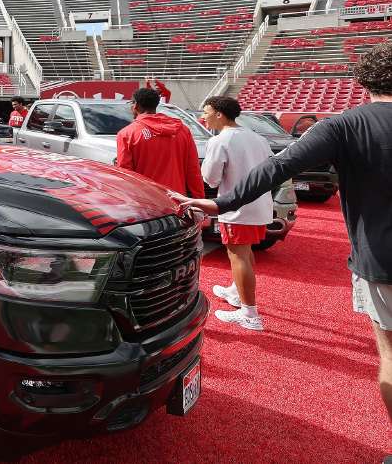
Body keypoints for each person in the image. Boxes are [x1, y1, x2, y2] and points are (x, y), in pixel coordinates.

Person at [178, 43, 392, 426]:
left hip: (382, 258)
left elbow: (279, 167)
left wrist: (220, 204)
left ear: (362, 83)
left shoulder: (345, 124)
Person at [199, 96, 272, 331]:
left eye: (207, 111)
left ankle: (250, 314)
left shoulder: (220, 140)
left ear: (219, 114)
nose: (204, 116)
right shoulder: (258, 138)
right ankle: (236, 290)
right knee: (245, 251)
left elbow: (211, 178)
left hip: (237, 207)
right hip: (259, 204)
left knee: (238, 254)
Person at [116, 88, 205, 198]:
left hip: (146, 202)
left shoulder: (127, 134)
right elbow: (193, 170)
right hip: (177, 200)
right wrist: (200, 201)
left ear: (135, 105)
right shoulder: (183, 130)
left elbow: (126, 175)